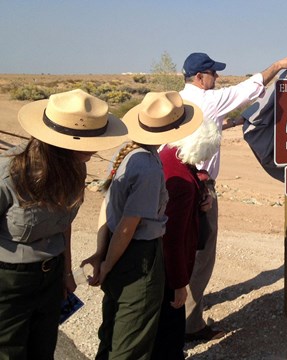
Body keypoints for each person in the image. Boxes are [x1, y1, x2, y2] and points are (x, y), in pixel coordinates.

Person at [0, 89, 127, 359]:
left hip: (50, 276)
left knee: (43, 349)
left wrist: (65, 272)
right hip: (9, 283)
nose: (94, 149)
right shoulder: (9, 172)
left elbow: (63, 224)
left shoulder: (76, 167)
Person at [179, 52, 287, 341]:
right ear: (199, 78)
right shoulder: (208, 99)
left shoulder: (181, 100)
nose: (216, 78)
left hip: (176, 182)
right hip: (200, 186)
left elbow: (209, 123)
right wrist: (278, 66)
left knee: (179, 248)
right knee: (201, 254)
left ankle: (175, 310)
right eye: (212, 74)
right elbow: (250, 88)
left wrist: (230, 123)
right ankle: (191, 324)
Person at [82, 91, 202, 359]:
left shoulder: (125, 153)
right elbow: (129, 225)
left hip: (117, 248)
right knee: (132, 342)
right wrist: (108, 264)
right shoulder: (148, 166)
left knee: (111, 332)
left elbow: (108, 209)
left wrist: (103, 255)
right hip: (138, 257)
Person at [152, 114, 218, 358]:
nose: (205, 159)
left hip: (162, 268)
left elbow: (193, 171)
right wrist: (180, 284)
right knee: (169, 332)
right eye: (205, 153)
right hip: (169, 274)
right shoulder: (179, 180)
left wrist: (201, 190)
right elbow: (173, 238)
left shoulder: (172, 156)